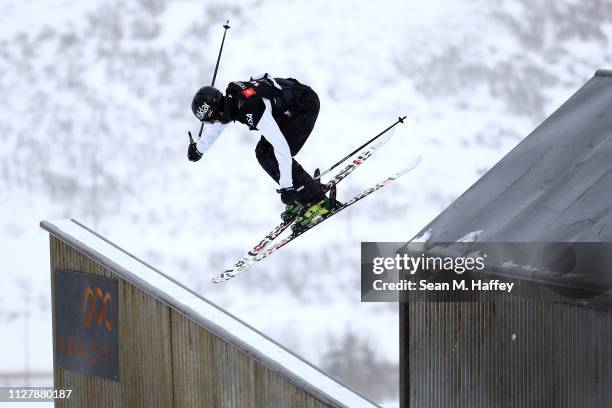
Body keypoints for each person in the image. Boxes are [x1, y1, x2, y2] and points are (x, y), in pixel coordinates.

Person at [188, 73, 336, 229]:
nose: (214, 123)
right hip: (292, 106)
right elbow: (221, 123)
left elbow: (281, 147)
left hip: (304, 106)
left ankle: (317, 200)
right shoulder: (232, 99)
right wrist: (199, 149)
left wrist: (287, 186)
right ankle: (301, 194)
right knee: (262, 152)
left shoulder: (250, 108)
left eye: (211, 121)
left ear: (216, 113)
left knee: (271, 153)